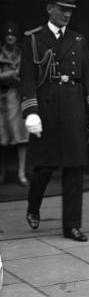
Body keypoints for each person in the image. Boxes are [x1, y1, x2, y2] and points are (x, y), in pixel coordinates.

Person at [20, 0, 89, 241]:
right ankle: (34, 205)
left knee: (75, 168)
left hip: (74, 109)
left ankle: (72, 225)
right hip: (46, 109)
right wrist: (31, 112)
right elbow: (28, 79)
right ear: (49, 10)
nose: (67, 14)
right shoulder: (33, 39)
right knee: (43, 168)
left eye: (70, 10)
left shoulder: (78, 40)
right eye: (62, 9)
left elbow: (88, 76)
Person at [0, 22, 28, 185]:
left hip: (19, 99)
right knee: (2, 140)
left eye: (13, 35)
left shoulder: (23, 53)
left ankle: (21, 173)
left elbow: (31, 73)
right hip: (3, 100)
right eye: (7, 35)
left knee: (22, 138)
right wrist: (11, 74)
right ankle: (2, 172)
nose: (10, 37)